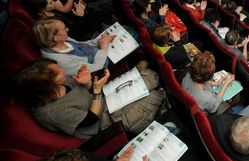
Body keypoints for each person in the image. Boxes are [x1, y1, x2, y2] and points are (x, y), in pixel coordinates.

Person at [14, 58, 165, 139]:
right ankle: (163, 103)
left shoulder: (62, 81)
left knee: (152, 78)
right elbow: (92, 119)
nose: (62, 70)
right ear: (46, 86)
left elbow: (88, 93)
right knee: (154, 95)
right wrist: (97, 90)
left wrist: (87, 83)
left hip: (102, 99)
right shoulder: (52, 112)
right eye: (57, 72)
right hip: (103, 121)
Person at [182, 51, 249, 115]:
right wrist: (225, 84)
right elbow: (215, 106)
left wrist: (215, 83)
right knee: (238, 84)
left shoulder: (187, 75)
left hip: (196, 101)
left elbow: (198, 77)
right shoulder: (208, 99)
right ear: (209, 76)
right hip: (212, 112)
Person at [32, 17, 115, 76]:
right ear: (55, 38)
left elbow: (81, 44)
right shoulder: (61, 61)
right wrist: (104, 48)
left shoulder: (61, 39)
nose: (67, 29)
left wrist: (99, 40)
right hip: (102, 65)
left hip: (100, 51)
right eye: (64, 29)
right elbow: (96, 69)